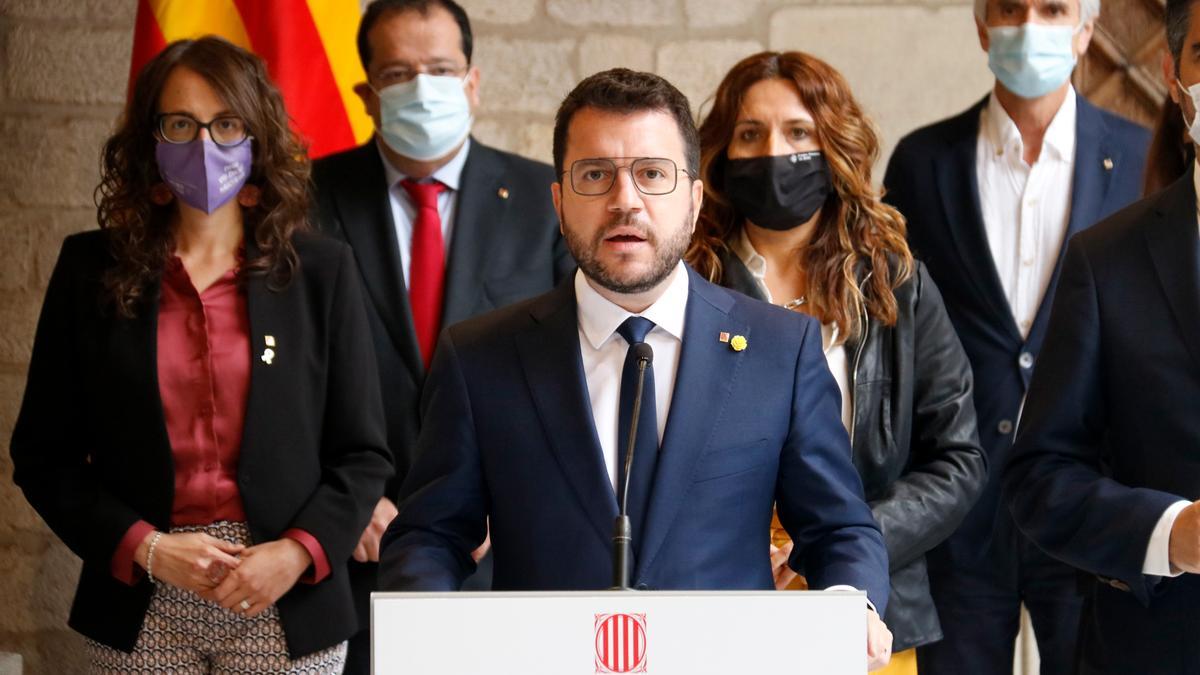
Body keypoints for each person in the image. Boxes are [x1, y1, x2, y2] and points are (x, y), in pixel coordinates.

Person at [380, 67, 894, 669]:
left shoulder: (781, 349)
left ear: (695, 196)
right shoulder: (481, 357)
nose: (626, 200)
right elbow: (432, 534)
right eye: (596, 175)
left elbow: (837, 529)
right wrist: (422, 622)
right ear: (559, 198)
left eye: (652, 174)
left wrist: (849, 605)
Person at [8, 37, 392, 672]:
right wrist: (149, 548)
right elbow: (43, 458)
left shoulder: (321, 271)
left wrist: (296, 552)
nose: (204, 144)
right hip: (142, 589)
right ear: (151, 142)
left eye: (227, 124)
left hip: (285, 592)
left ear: (256, 139)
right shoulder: (89, 269)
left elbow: (363, 453)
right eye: (180, 124)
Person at [688, 51, 987, 675]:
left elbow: (957, 460)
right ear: (721, 154)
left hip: (868, 618)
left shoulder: (896, 284)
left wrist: (844, 537)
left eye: (798, 132)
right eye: (750, 134)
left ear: (834, 144)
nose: (775, 151)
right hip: (715, 610)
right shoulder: (690, 284)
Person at [882, 1, 1150, 672]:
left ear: (1085, 31)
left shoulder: (1142, 157)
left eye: (1054, 8)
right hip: (959, 504)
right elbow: (898, 327)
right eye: (1009, 7)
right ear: (981, 26)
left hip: (1090, 489)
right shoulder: (922, 161)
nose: (1029, 24)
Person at [310, 3, 573, 665]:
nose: (423, 88)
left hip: (508, 559)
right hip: (349, 554)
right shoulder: (304, 200)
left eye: (441, 69)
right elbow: (271, 374)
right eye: (399, 73)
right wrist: (341, 498)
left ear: (473, 83)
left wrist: (508, 490)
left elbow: (580, 368)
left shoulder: (548, 199)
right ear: (366, 94)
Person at [1003, 2, 1200, 672]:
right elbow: (1040, 477)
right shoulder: (1107, 259)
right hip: (1158, 647)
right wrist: (1172, 533)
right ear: (1174, 74)